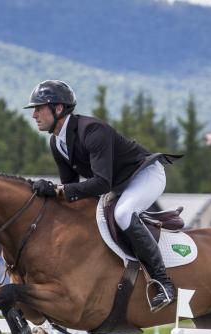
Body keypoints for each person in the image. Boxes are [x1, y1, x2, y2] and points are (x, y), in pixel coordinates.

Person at [24, 80, 179, 312]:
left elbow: (100, 182)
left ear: (58, 109)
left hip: (145, 175)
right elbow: (70, 188)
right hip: (119, 184)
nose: (34, 114)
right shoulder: (57, 143)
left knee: (123, 213)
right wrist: (54, 193)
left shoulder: (92, 130)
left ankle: (164, 284)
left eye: (39, 108)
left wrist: (59, 191)